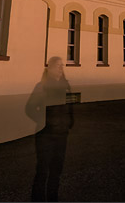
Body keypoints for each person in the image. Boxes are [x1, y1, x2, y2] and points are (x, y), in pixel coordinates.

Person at [26, 56, 73, 201]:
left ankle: (53, 198)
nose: (61, 68)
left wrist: (69, 122)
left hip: (62, 135)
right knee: (42, 170)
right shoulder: (42, 86)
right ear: (50, 68)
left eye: (62, 65)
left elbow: (70, 107)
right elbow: (30, 108)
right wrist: (45, 122)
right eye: (58, 65)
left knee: (56, 170)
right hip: (45, 135)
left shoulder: (66, 86)